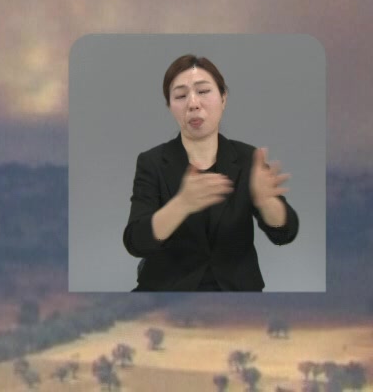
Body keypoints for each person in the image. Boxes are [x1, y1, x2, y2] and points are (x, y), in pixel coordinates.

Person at [122, 54, 298, 290]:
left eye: (203, 91)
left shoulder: (248, 159)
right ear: (170, 106)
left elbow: (285, 234)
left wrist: (267, 203)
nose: (193, 104)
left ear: (223, 98)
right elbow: (136, 241)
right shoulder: (152, 162)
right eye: (181, 96)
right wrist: (181, 204)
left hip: (237, 298)